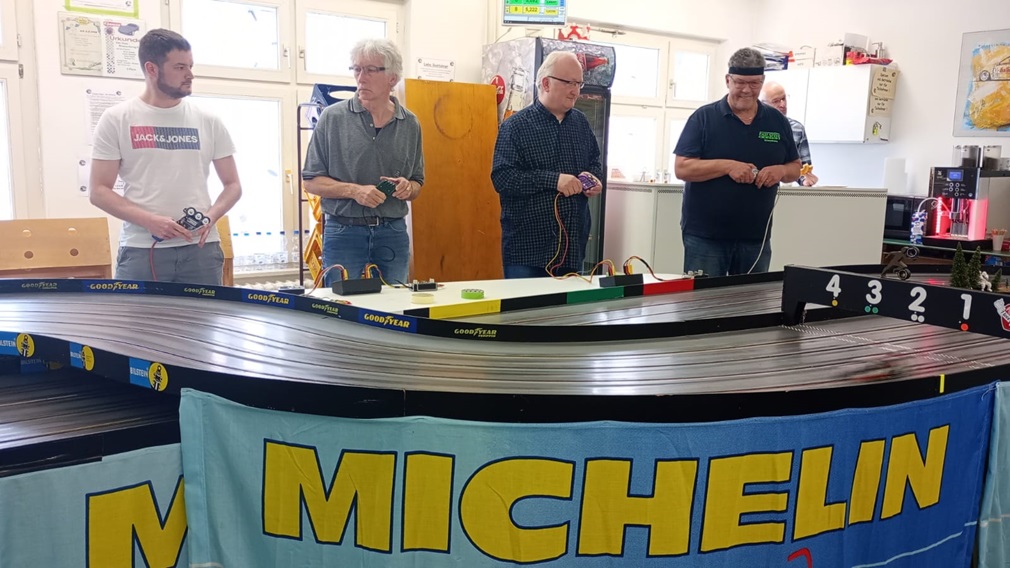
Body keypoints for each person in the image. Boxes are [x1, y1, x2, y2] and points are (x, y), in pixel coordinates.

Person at [90, 29, 241, 285]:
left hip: (200, 251)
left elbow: (233, 185)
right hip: (141, 249)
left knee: (204, 313)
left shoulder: (208, 120)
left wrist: (211, 216)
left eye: (190, 66)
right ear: (152, 69)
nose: (190, 75)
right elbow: (98, 191)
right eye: (180, 67)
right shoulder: (117, 119)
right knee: (139, 314)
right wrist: (149, 221)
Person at [302, 38, 424, 286]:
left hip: (392, 231)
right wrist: (354, 191)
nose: (361, 78)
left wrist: (407, 187)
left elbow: (417, 183)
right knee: (340, 303)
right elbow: (311, 181)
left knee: (395, 303)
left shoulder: (410, 124)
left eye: (370, 70)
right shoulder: (332, 118)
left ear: (392, 78)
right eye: (356, 69)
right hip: (343, 231)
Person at [673, 47, 801, 276]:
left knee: (752, 298)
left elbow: (795, 168)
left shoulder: (777, 121)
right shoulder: (704, 118)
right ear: (728, 80)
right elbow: (682, 168)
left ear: (762, 82)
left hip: (756, 238)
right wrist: (728, 166)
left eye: (754, 83)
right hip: (706, 238)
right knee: (704, 298)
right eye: (740, 82)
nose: (746, 90)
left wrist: (781, 171)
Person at [491, 51, 603, 279]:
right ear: (546, 83)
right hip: (527, 253)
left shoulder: (581, 124)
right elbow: (502, 178)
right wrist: (554, 180)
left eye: (579, 84)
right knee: (526, 304)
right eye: (569, 82)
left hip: (572, 250)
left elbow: (595, 162)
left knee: (568, 304)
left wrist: (592, 179)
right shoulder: (515, 127)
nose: (575, 91)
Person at [760, 81, 819, 186]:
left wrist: (805, 180)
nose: (782, 104)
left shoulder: (797, 129)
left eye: (784, 99)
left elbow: (803, 168)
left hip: (785, 190)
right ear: (762, 104)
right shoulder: (753, 127)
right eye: (776, 101)